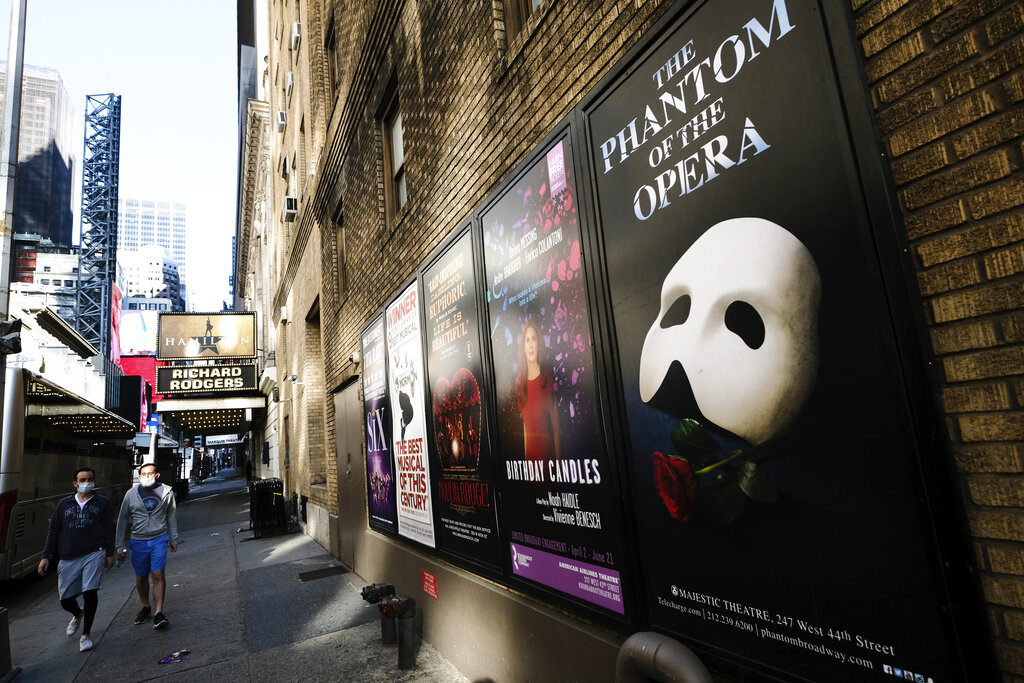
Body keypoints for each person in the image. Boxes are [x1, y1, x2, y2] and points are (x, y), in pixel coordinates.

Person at [37, 467, 116, 652]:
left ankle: (86, 635)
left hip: (94, 552)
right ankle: (78, 614)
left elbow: (108, 530)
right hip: (68, 555)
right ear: (75, 483)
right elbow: (54, 530)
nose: (86, 482)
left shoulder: (102, 503)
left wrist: (110, 553)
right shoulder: (64, 504)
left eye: (89, 479)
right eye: (82, 479)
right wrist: (45, 556)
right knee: (65, 599)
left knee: (90, 591)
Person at [115, 462, 178, 630]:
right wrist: (119, 545)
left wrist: (173, 539)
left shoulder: (167, 492)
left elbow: (171, 515)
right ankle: (146, 606)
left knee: (158, 573)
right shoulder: (131, 494)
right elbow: (122, 520)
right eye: (143, 474)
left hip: (159, 538)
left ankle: (159, 612)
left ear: (157, 475)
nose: (146, 477)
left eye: (150, 473)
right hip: (138, 540)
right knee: (141, 576)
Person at [515, 320, 561, 462]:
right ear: (523, 347)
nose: (530, 344)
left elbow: (557, 431)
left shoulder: (547, 379)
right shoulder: (520, 384)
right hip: (532, 473)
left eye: (533, 339)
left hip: (549, 466)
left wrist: (559, 474)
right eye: (527, 340)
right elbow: (525, 433)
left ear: (538, 345)